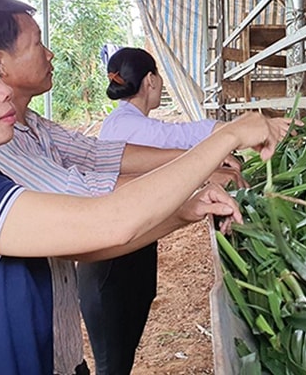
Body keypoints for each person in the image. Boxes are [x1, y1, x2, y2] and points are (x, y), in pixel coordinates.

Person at [0, 20, 287, 374]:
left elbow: (87, 245)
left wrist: (184, 211)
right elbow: (108, 220)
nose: (3, 90)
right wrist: (225, 136)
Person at [0, 0, 242, 375]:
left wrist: (196, 180)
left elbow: (99, 155)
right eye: (38, 43)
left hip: (61, 344)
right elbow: (91, 199)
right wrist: (208, 158)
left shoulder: (34, 127)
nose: (50, 53)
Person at [79, 47, 238, 374]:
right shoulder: (128, 126)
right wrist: (233, 131)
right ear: (150, 80)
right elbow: (180, 138)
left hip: (132, 247)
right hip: (113, 261)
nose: (162, 84)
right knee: (113, 361)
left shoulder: (128, 121)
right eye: (159, 76)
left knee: (121, 353)